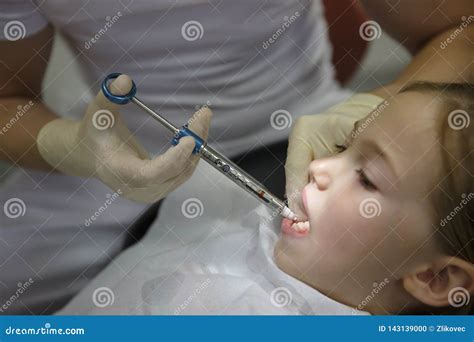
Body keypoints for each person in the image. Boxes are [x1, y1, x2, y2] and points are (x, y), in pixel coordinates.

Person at [0, 0, 471, 314]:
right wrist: (67, 146)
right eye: (344, 153)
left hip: (302, 111)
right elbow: (8, 97)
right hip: (109, 140)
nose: (320, 165)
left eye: (366, 176)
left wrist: (374, 108)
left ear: (436, 277)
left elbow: (459, 25)